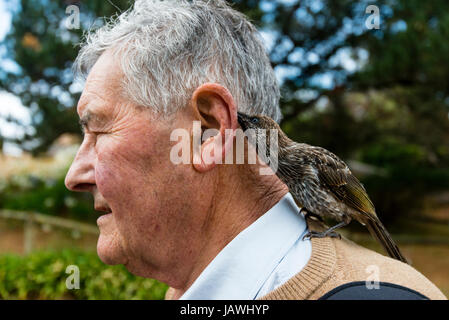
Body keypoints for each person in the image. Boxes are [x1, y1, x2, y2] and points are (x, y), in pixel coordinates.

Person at [64, 0, 446, 300]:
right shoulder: (193, 289)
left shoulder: (374, 296)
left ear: (209, 132)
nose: (73, 177)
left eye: (98, 129)